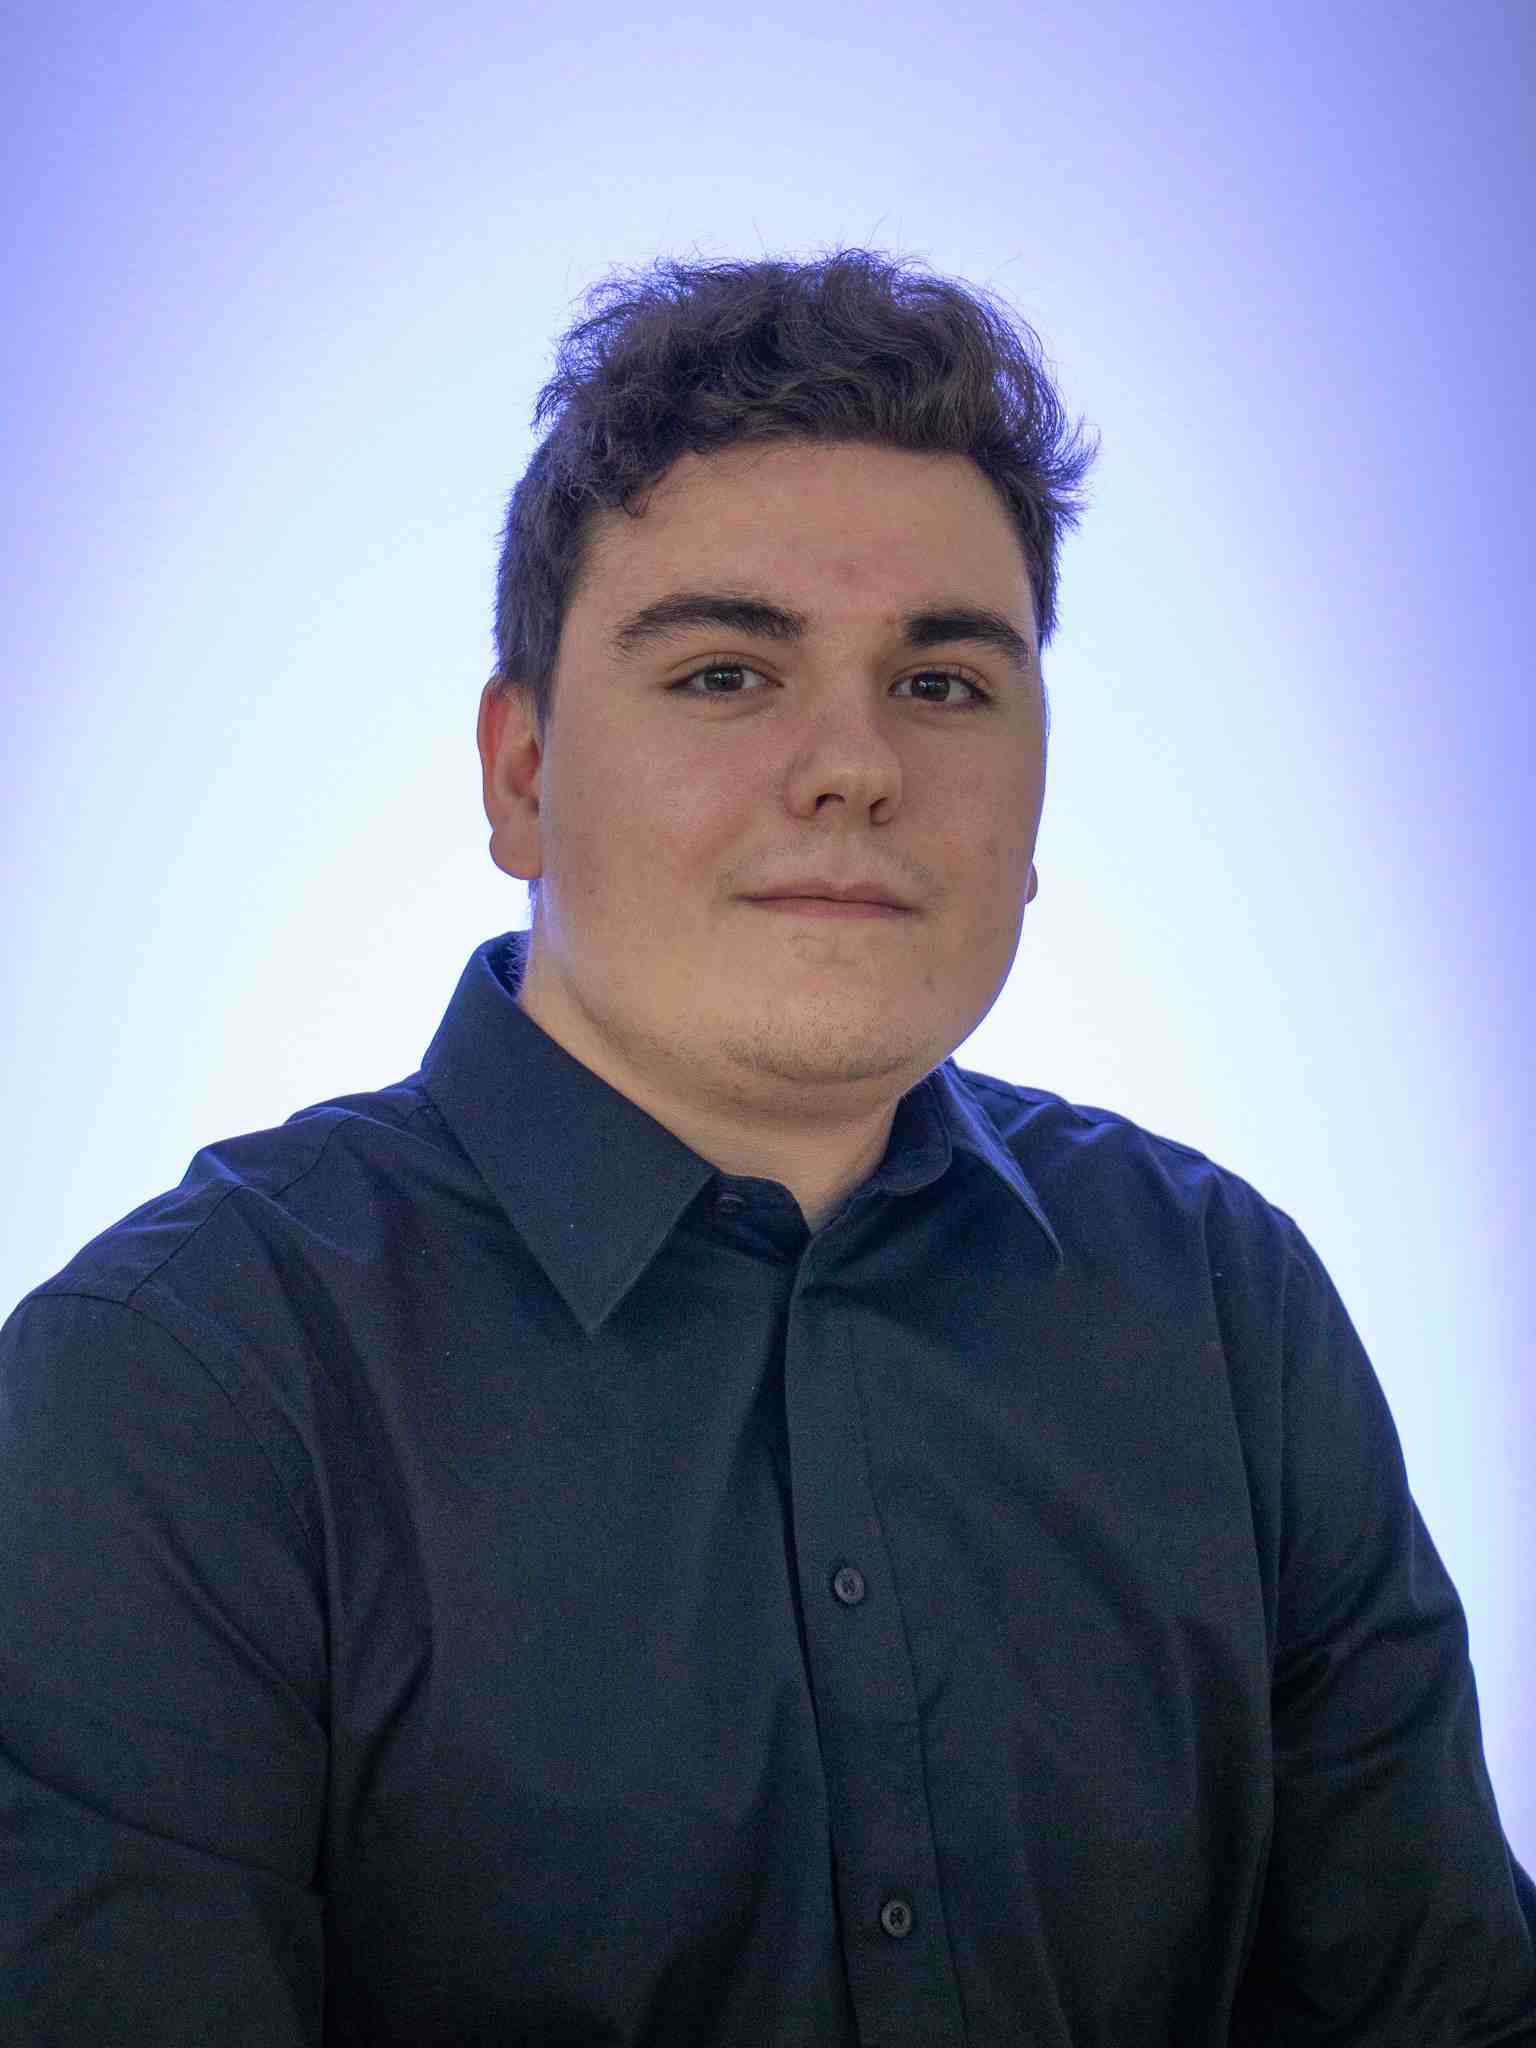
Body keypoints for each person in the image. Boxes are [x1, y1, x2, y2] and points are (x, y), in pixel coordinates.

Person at [2, 248, 1532, 2048]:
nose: (853, 767)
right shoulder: (176, 1388)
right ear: (520, 775)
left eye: (943, 686)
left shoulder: (1224, 1307)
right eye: (727, 672)